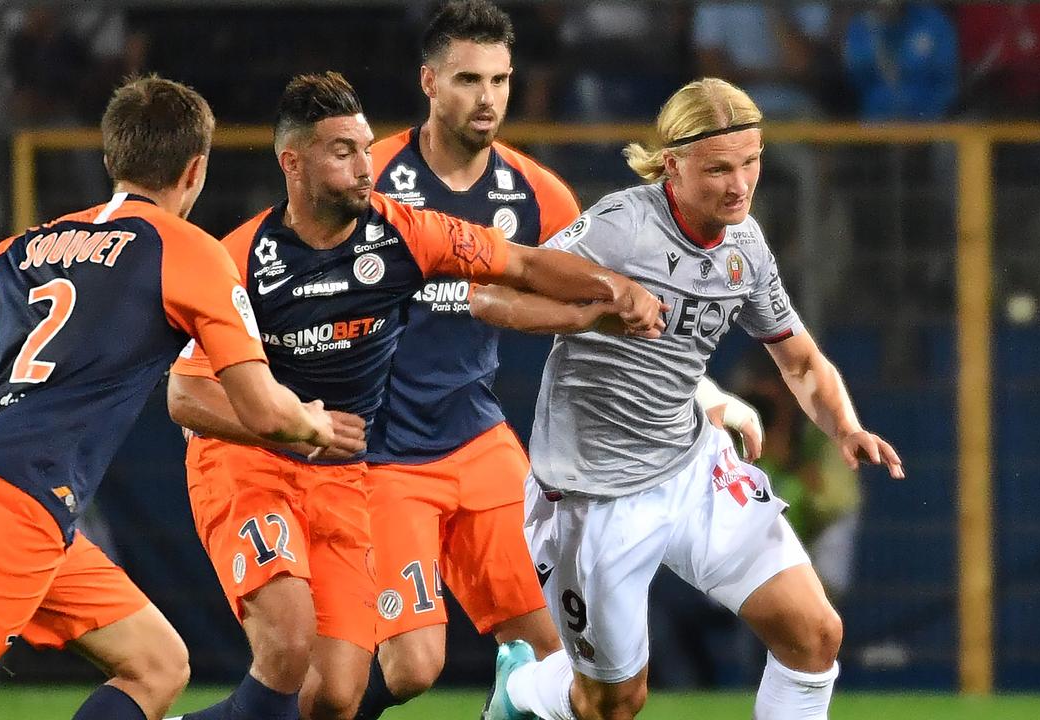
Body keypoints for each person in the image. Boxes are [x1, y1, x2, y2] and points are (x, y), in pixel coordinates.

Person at [0, 75, 336, 720]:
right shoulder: (190, 251)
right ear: (196, 169)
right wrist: (314, 423)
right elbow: (262, 409)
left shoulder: (30, 244)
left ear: (110, 160)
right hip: (16, 501)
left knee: (157, 664)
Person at [162, 71, 664, 720]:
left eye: (366, 147)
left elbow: (522, 264)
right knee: (289, 645)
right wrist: (288, 425)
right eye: (342, 151)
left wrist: (610, 290)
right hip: (248, 464)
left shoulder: (403, 232)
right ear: (293, 162)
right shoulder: (240, 258)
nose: (364, 166)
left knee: (335, 695)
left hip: (343, 474)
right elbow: (185, 397)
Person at [357, 4, 762, 719]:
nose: (487, 98)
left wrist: (708, 397)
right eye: (468, 79)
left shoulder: (538, 194)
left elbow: (625, 324)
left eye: (501, 80)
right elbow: (293, 280)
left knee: (558, 656)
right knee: (415, 667)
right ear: (428, 81)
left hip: (477, 440)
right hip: (383, 453)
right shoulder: (370, 181)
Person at [479, 78, 904, 720]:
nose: (740, 185)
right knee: (616, 702)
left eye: (751, 162)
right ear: (672, 163)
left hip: (689, 467)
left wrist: (845, 427)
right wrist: (598, 311)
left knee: (815, 636)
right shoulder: (622, 229)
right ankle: (520, 692)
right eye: (719, 169)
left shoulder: (745, 245)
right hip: (596, 496)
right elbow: (497, 292)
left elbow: (800, 359)